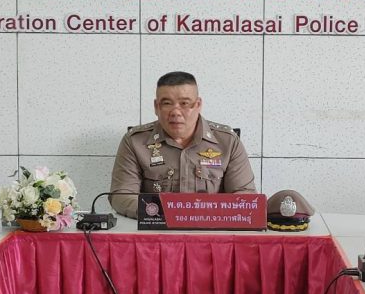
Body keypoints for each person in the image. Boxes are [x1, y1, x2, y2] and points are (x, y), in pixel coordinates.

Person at [109, 71, 256, 218]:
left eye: (184, 103)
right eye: (167, 103)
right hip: (156, 227)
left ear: (198, 105)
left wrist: (207, 214)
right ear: (156, 106)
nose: (175, 112)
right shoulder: (135, 142)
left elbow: (245, 195)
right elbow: (122, 195)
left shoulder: (228, 142)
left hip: (212, 228)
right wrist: (161, 213)